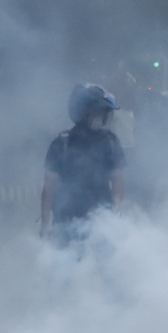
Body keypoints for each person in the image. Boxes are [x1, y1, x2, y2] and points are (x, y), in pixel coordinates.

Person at [41, 84, 126, 243]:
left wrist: (116, 213)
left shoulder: (110, 142)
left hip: (102, 220)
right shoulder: (61, 144)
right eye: (97, 112)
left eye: (103, 113)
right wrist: (45, 223)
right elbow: (49, 187)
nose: (101, 117)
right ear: (83, 112)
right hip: (66, 221)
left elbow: (118, 179)